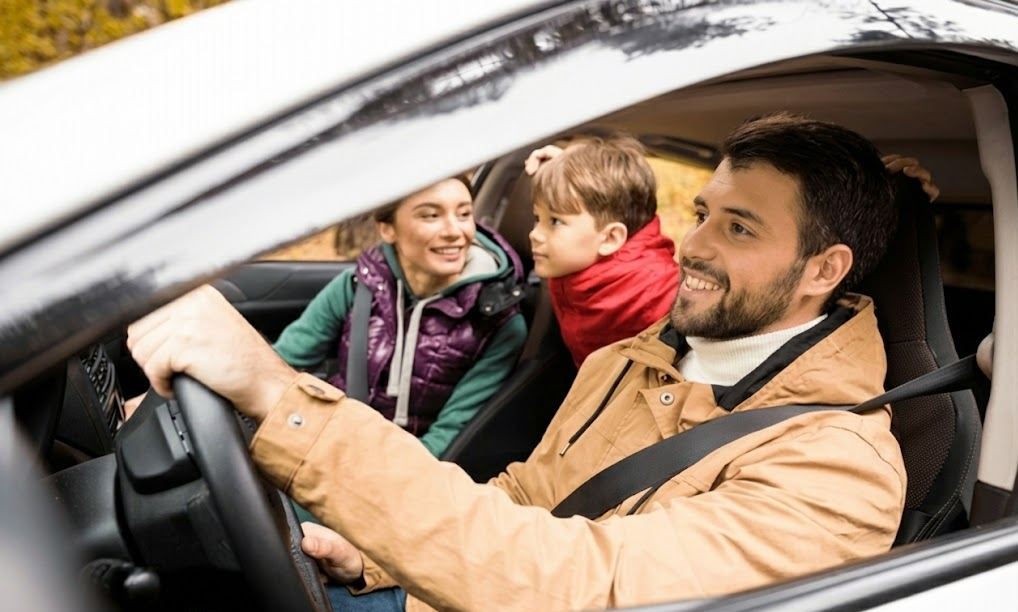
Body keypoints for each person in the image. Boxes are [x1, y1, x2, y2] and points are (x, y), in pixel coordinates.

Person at [127, 112, 938, 612]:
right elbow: (526, 495)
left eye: (740, 228)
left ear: (824, 270)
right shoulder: (633, 358)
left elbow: (582, 588)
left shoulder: (836, 469)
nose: (691, 245)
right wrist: (370, 556)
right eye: (703, 213)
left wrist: (276, 392)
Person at [272, 176, 528, 458]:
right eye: (431, 215)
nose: (455, 231)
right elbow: (282, 365)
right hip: (331, 442)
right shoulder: (358, 286)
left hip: (405, 469)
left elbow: (449, 439)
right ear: (387, 229)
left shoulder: (498, 323)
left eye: (464, 214)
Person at [526, 134, 680, 367]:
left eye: (555, 221)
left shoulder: (656, 292)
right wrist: (569, 170)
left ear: (610, 238)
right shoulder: (576, 264)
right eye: (538, 218)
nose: (535, 234)